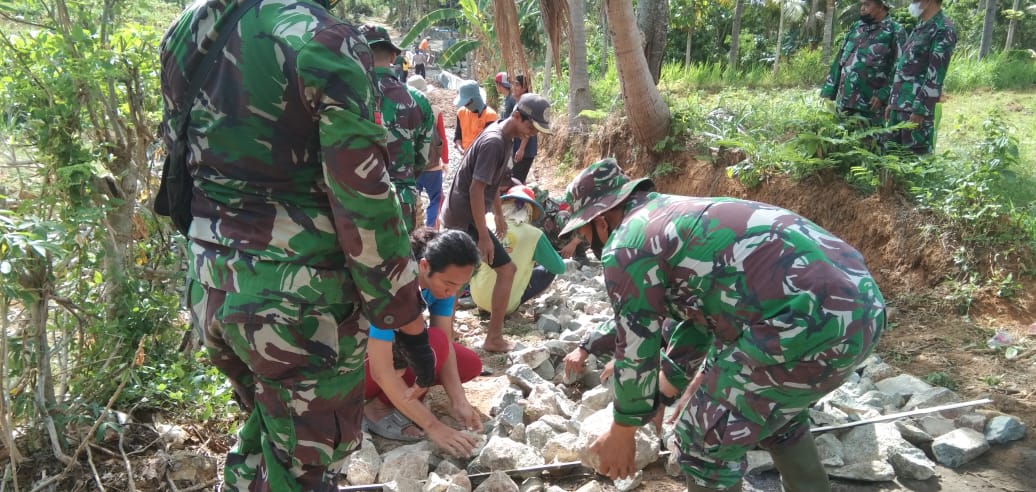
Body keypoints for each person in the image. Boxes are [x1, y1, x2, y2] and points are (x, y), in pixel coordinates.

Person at [161, 1, 425, 489]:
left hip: (211, 285)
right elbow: (363, 200)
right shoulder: (324, 38)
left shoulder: (187, 28)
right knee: (305, 465)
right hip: (298, 304)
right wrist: (406, 318)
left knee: (268, 431)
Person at [561, 159, 886, 491]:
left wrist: (623, 429)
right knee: (771, 413)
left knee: (704, 440)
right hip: (863, 310)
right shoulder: (671, 216)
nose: (588, 243)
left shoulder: (626, 244)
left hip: (807, 321)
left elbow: (635, 345)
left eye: (584, 234)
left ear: (601, 221)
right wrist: (660, 391)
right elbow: (701, 316)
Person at [441, 94, 553, 352]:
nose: (531, 133)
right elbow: (476, 189)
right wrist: (482, 233)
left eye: (535, 130)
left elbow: (492, 186)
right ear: (516, 115)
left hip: (467, 216)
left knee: (462, 273)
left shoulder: (505, 138)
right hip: (463, 218)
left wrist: (499, 215)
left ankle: (449, 330)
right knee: (500, 271)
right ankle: (489, 337)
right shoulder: (495, 142)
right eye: (529, 126)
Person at [363, 228, 483, 456]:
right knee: (432, 345)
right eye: (448, 284)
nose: (451, 293)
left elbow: (445, 344)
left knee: (469, 363)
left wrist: (459, 400)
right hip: (352, 368)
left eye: (460, 286)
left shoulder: (442, 290)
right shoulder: (392, 287)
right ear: (425, 266)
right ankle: (377, 408)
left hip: (391, 355)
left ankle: (400, 397)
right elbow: (381, 370)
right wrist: (434, 426)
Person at [362, 25, 434, 232]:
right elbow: (421, 159)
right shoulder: (418, 100)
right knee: (403, 261)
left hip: (357, 202)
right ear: (393, 57)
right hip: (402, 202)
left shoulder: (343, 96)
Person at [469, 185, 565, 315]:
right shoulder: (534, 234)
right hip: (506, 305)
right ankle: (510, 303)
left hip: (478, 298)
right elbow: (559, 267)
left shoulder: (486, 224)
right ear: (529, 211)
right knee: (547, 270)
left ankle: (483, 305)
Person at [886, 0, 957, 154]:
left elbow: (936, 75)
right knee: (891, 162)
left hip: (915, 111)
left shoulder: (943, 29)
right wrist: (892, 102)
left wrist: (920, 110)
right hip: (899, 107)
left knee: (914, 161)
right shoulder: (920, 26)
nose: (912, 3)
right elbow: (904, 67)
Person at [820, 0, 904, 126]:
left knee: (867, 144)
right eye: (862, 5)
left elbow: (901, 68)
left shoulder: (895, 31)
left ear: (881, 6)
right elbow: (840, 60)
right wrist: (828, 91)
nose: (862, 8)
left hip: (870, 107)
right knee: (841, 142)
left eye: (867, 5)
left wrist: (883, 95)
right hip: (844, 102)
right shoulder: (857, 28)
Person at [407, 75, 450, 228]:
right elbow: (443, 138)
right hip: (432, 165)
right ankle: (431, 229)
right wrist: (445, 161)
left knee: (413, 199)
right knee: (436, 198)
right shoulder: (435, 111)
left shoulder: (403, 110)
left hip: (412, 166)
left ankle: (414, 228)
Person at [507, 75, 540, 183]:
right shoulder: (518, 102)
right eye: (513, 84)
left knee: (517, 180)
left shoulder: (526, 105)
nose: (513, 87)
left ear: (524, 88)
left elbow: (528, 127)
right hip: (519, 147)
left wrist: (521, 149)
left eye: (517, 84)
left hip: (525, 150)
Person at [453, 80, 498, 156]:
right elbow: (458, 136)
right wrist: (461, 149)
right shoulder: (461, 112)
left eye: (467, 103)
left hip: (482, 157)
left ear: (475, 99)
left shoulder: (490, 116)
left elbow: (489, 143)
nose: (465, 106)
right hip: (465, 156)